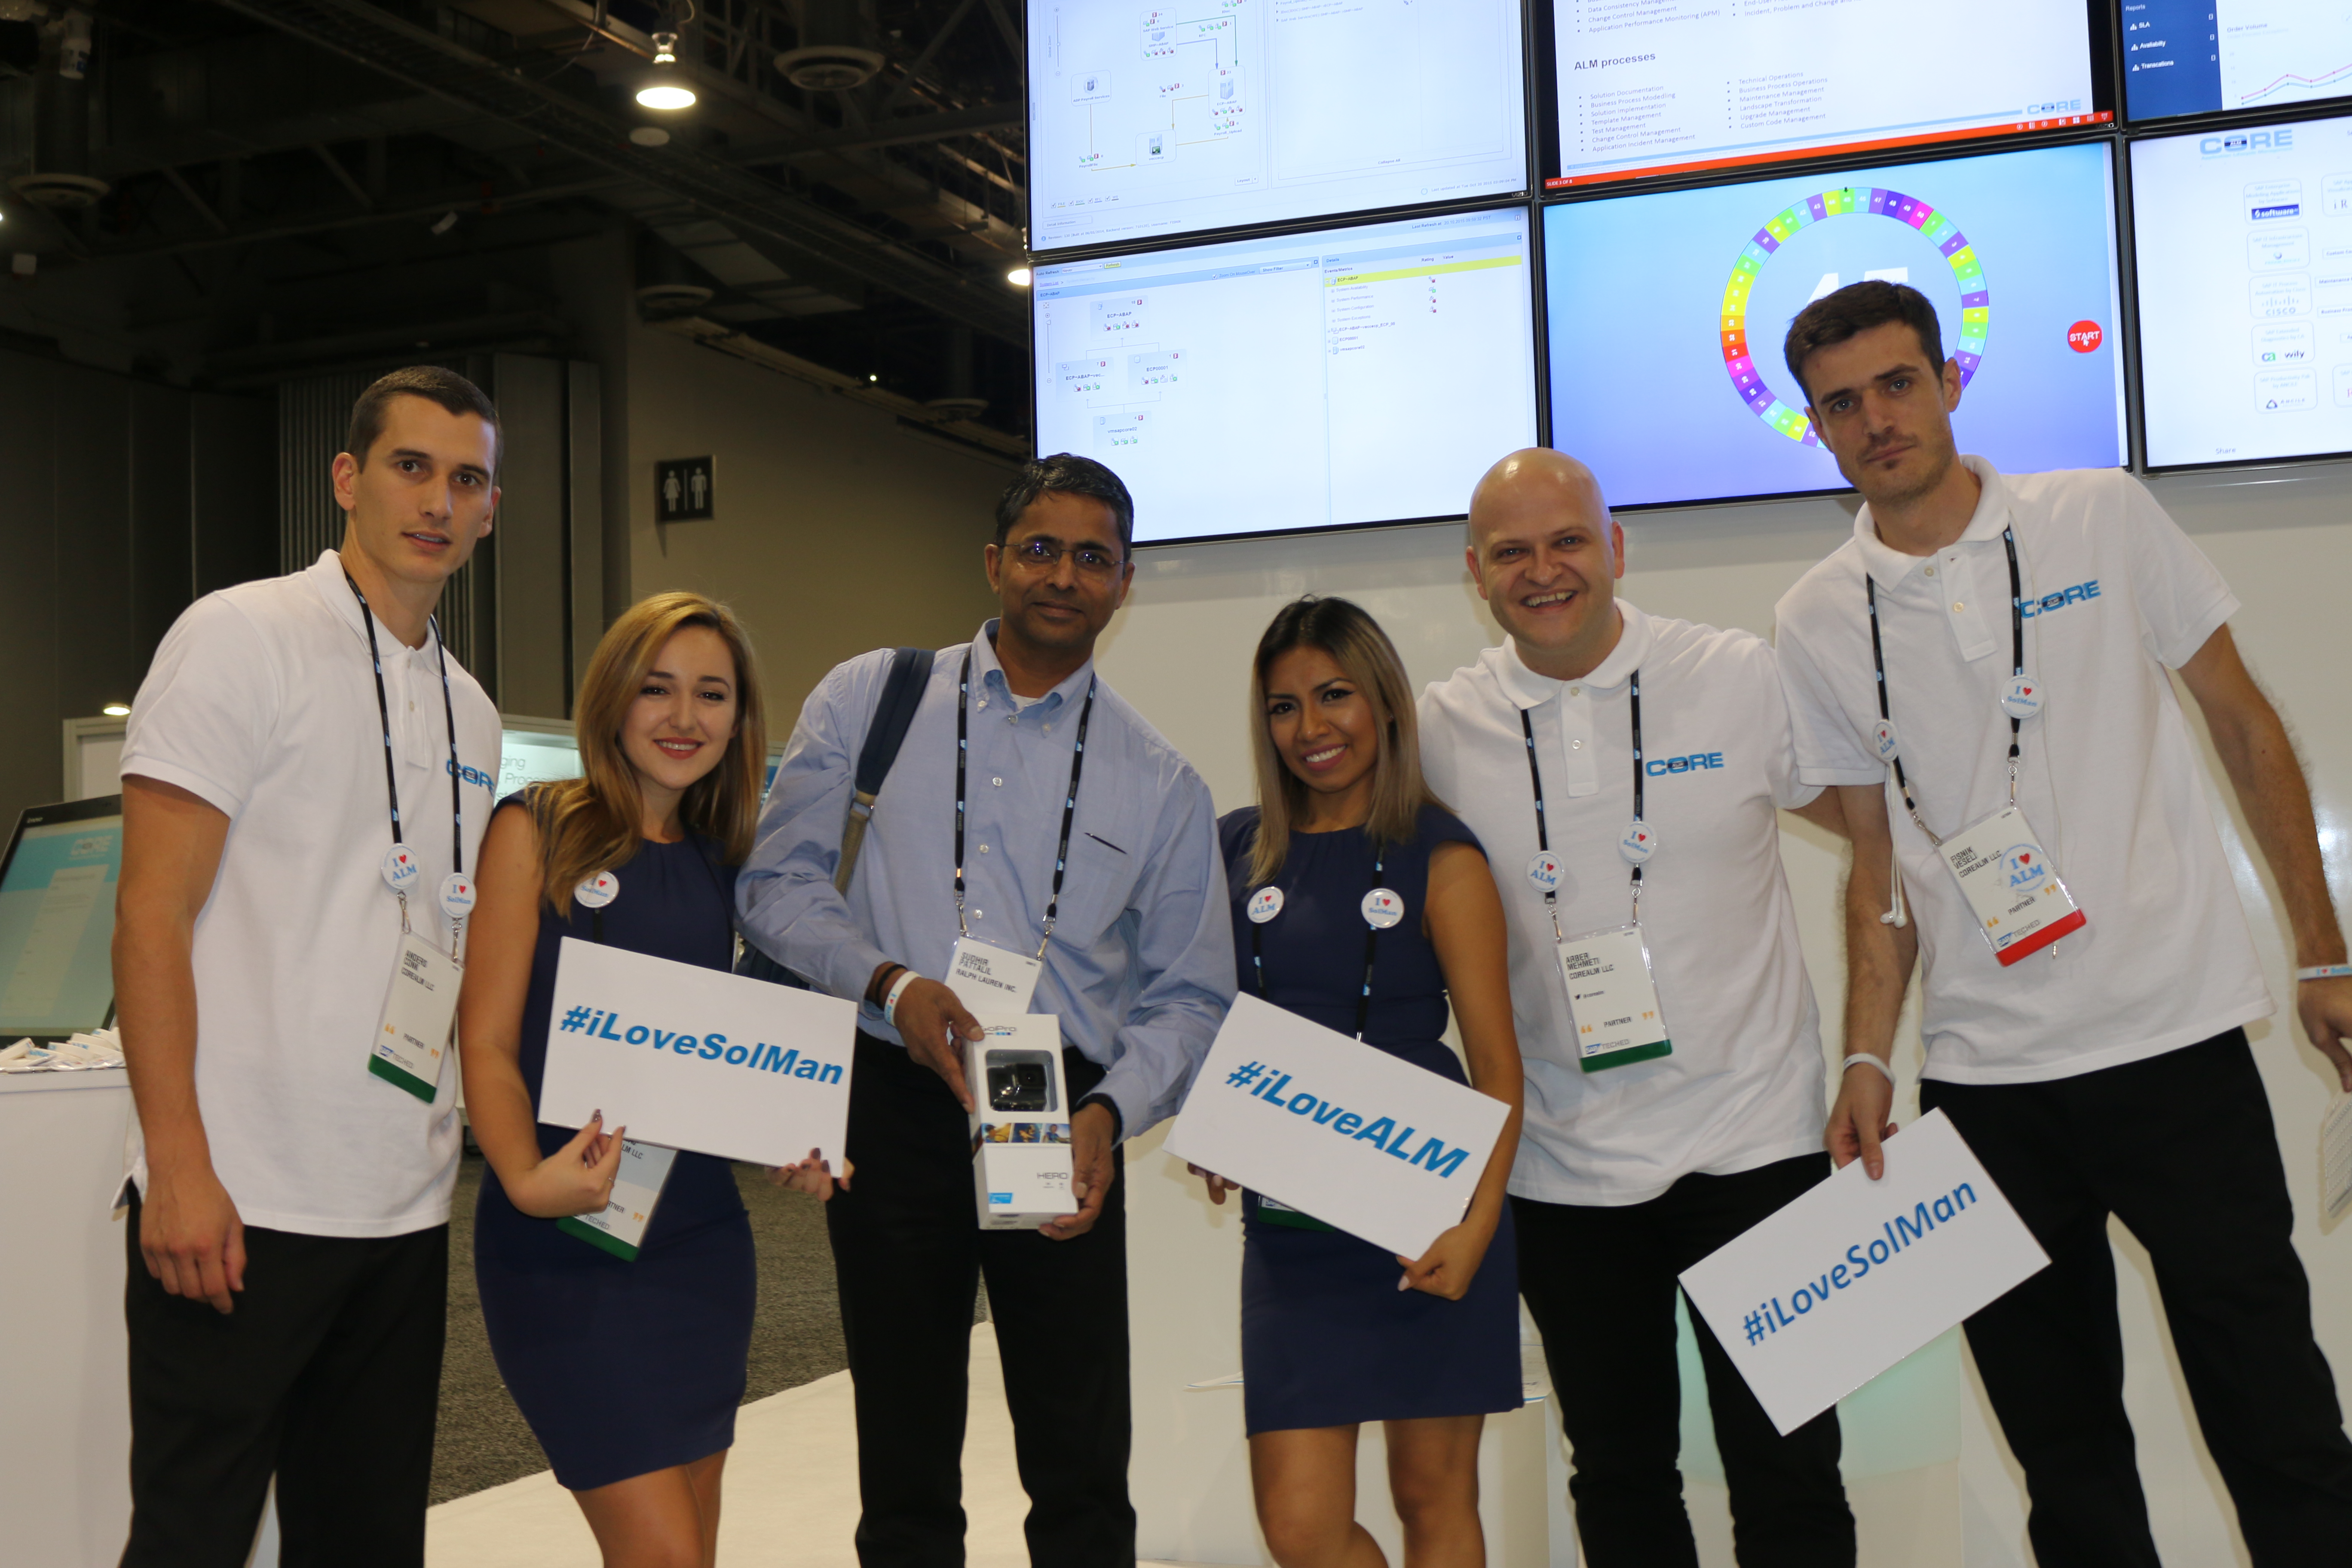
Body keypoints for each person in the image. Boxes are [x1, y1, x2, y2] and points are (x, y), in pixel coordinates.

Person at [1772, 280, 2352, 1567]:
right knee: (2067, 1458)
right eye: (1843, 404)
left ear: (1950, 383)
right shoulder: (1814, 617)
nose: (1877, 419)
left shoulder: (2100, 513)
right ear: (1818, 429)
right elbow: (1876, 863)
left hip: (2177, 1045)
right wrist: (1869, 1057)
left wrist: (2325, 952)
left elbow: (2245, 723)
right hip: (1988, 1087)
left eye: (1897, 384)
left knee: (2276, 1418)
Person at [737, 453, 1234, 1568]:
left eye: (1093, 557)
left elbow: (1192, 993)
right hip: (894, 1092)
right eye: (1041, 548)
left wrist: (1111, 1113)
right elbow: (776, 885)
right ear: (995, 560)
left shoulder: (1161, 781)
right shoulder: (873, 698)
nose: (1064, 575)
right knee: (904, 1449)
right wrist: (891, 982)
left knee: (1080, 1457)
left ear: (1124, 584)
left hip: (1059, 1107)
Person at [1417, 449, 1856, 1567]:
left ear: (1614, 547)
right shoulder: (1440, 729)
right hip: (1565, 1169)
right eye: (1512, 552)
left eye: (1568, 540)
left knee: (1792, 1468)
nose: (1544, 571)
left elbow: (1885, 829)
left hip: (1758, 1142)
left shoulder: (1737, 674)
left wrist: (1875, 1054)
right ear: (1476, 572)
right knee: (1618, 1475)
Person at [109, 367, 505, 1565]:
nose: (438, 501)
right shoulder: (241, 636)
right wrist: (178, 1165)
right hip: (241, 1198)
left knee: (367, 1542)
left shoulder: (474, 711)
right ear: (346, 478)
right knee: (193, 1539)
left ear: (490, 511)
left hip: (400, 1204)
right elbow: (150, 915)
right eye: (411, 467)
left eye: (468, 480)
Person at [458, 592, 841, 1565]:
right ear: (612, 699)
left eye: (712, 695)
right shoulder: (535, 829)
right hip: (562, 1242)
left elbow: (726, 1055)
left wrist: (792, 1139)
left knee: (689, 1553)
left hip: (701, 1245)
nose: (683, 718)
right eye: (656, 689)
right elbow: (486, 1039)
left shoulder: (731, 865)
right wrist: (525, 1178)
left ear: (740, 718)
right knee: (663, 1555)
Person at [1191, 595, 1525, 1568]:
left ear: (1383, 702)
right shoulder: (1234, 847)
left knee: (1434, 1498)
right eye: (1283, 706)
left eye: (1333, 695)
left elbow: (1499, 1068)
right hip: (1294, 1231)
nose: (1311, 727)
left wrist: (1475, 1228)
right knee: (1299, 1526)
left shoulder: (1442, 852)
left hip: (1430, 1205)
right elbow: (1200, 1012)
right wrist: (1217, 1120)